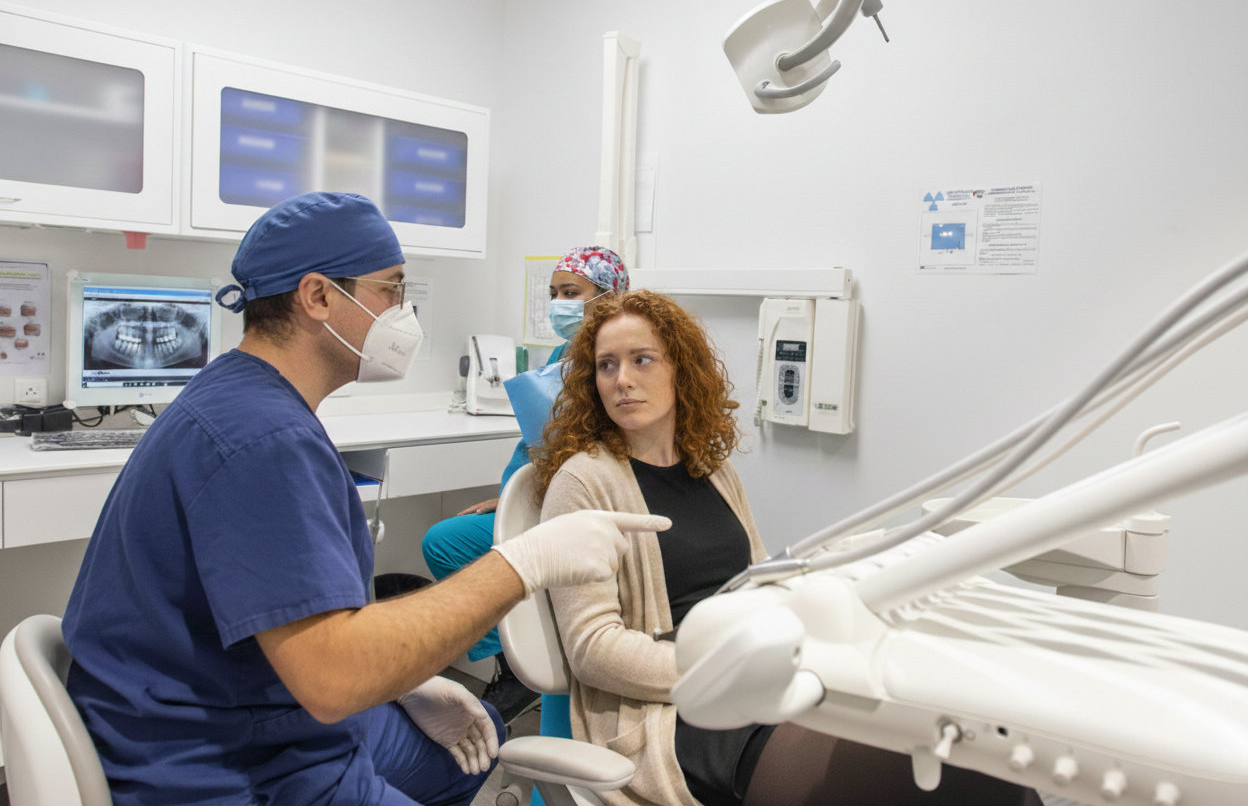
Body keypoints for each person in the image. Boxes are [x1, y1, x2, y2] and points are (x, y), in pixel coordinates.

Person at [60, 192, 667, 806]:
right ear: (318, 296)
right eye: (392, 289)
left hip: (253, 694)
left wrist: (406, 683)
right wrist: (523, 563)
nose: (403, 312)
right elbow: (334, 679)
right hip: (226, 757)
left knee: (468, 749)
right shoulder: (264, 441)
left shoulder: (242, 395)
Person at [530, 290, 1042, 806]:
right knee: (904, 775)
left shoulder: (710, 468)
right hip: (671, 712)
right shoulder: (583, 482)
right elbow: (594, 649)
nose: (622, 379)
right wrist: (728, 673)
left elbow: (758, 581)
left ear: (680, 370)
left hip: (753, 677)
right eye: (607, 365)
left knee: (978, 753)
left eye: (642, 359)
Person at [422, 245, 629, 722]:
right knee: (446, 543)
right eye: (554, 293)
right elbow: (540, 442)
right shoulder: (561, 355)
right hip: (537, 498)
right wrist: (508, 498)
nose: (559, 304)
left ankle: (527, 665)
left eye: (571, 293)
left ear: (609, 296)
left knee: (459, 548)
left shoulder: (613, 363)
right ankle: (513, 661)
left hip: (575, 508)